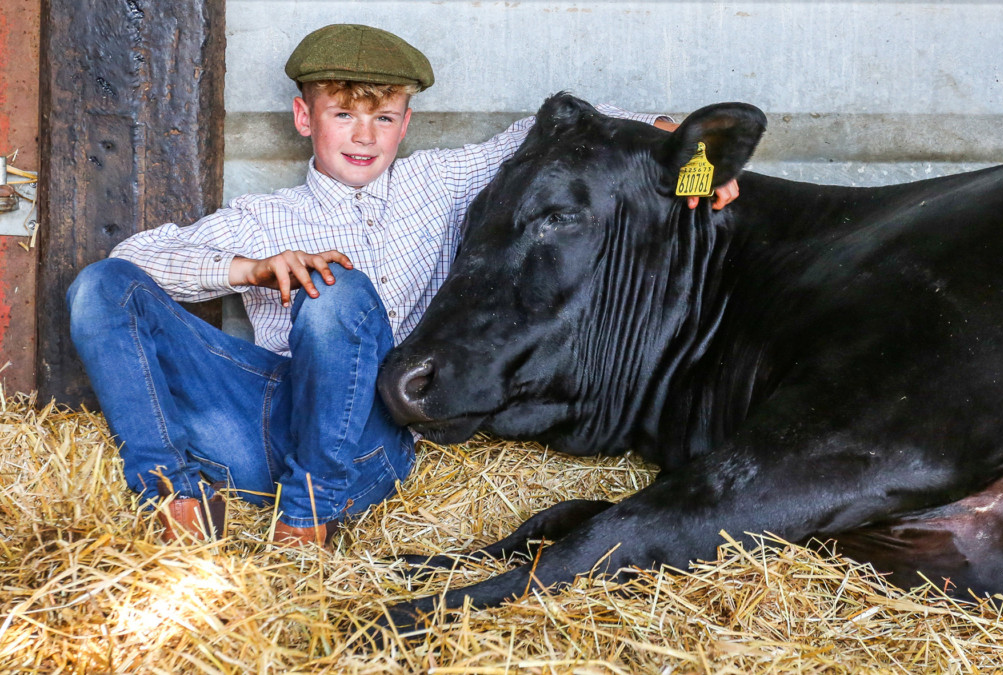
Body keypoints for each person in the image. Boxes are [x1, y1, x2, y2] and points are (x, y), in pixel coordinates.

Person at [68, 23, 737, 548]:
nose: (365, 136)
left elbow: (549, 128)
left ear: (405, 124)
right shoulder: (263, 216)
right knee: (101, 285)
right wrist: (252, 268)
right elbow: (136, 260)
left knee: (336, 291)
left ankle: (307, 522)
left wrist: (673, 137)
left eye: (383, 118)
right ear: (305, 118)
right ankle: (174, 497)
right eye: (343, 116)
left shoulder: (438, 183)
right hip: (258, 426)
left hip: (365, 441)